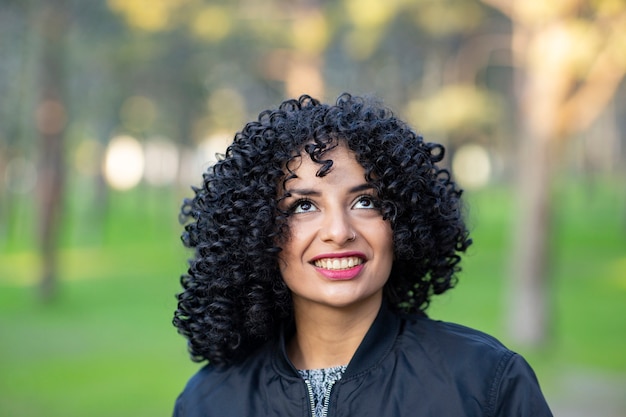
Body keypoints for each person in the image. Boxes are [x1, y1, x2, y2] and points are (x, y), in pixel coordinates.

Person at [172, 93, 553, 416]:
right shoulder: (208, 402)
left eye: (365, 201)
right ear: (255, 231)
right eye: (303, 205)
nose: (339, 232)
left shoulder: (483, 382)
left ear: (402, 222)